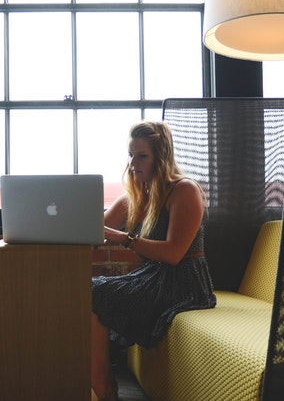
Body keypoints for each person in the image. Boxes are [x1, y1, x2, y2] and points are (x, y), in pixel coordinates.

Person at [91, 121, 216, 401]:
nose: (133, 163)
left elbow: (174, 254)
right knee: (87, 288)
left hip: (184, 281)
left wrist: (123, 238)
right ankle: (99, 381)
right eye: (130, 155)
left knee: (95, 292)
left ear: (161, 157)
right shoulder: (135, 196)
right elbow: (94, 230)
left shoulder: (183, 190)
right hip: (151, 276)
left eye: (141, 156)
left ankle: (103, 386)